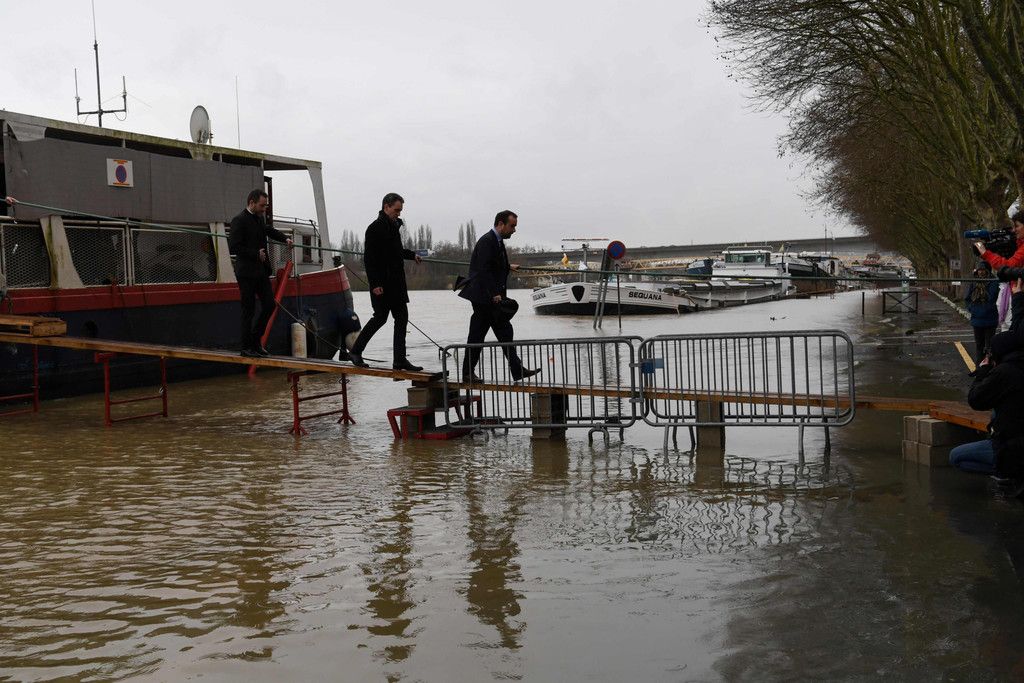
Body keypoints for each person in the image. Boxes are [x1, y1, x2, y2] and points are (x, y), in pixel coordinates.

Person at [458, 210, 540, 382]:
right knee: (478, 334)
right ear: (501, 224)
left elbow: (493, 264)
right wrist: (494, 293)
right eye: (512, 226)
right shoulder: (487, 241)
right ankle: (467, 373)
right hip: (484, 297)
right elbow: (484, 269)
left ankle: (516, 370)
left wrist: (507, 266)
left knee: (503, 332)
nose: (514, 230)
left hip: (489, 297)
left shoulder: (496, 241)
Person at [348, 193, 423, 371]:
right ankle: (356, 351)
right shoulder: (374, 228)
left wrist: (412, 255)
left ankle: (400, 360)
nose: (399, 214)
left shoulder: (393, 227)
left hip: (396, 283)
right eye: (396, 210)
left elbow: (396, 251)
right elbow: (369, 259)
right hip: (382, 284)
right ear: (386, 207)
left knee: (401, 318)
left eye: (400, 211)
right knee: (380, 318)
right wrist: (375, 284)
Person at [949, 330, 1024, 495]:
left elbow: (976, 400)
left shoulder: (1004, 372)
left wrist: (983, 372)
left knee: (957, 457)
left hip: (1012, 447)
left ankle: (1008, 474)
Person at [228, 189, 292, 357]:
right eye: (262, 205)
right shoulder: (239, 220)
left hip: (261, 271)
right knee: (248, 310)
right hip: (246, 273)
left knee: (270, 305)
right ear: (252, 203)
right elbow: (233, 247)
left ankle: (256, 341)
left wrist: (285, 238)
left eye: (265, 206)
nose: (264, 209)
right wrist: (255, 254)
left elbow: (268, 230)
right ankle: (246, 348)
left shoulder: (259, 218)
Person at [964, 261, 1000, 370]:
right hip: (977, 320)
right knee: (979, 346)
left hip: (990, 319)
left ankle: (988, 368)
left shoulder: (993, 282)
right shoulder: (974, 282)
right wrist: (972, 309)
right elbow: (967, 298)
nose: (981, 272)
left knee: (989, 347)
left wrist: (988, 309)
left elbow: (995, 298)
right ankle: (979, 369)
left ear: (988, 271)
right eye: (979, 270)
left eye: (983, 270)